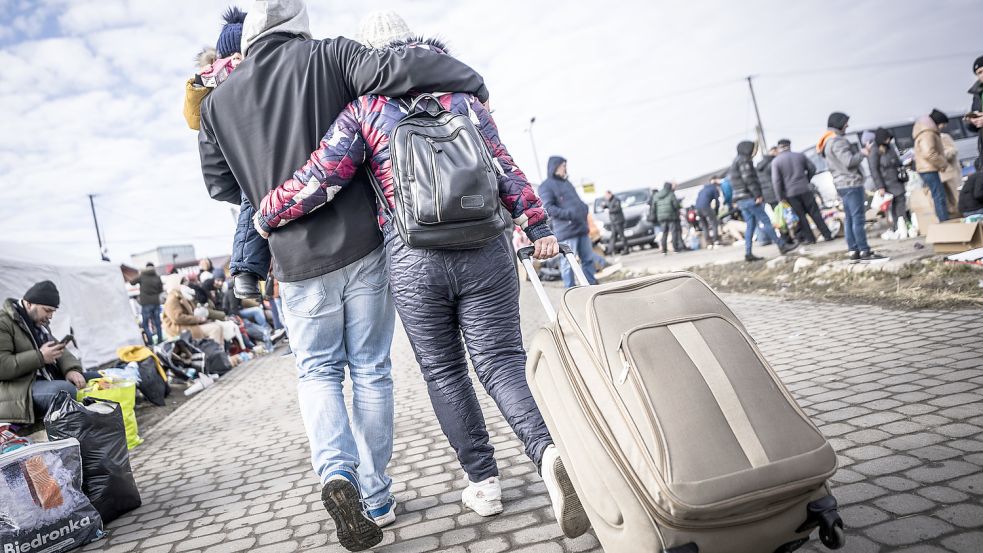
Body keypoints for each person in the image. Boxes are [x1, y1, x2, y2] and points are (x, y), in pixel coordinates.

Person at [253, 19, 590, 545]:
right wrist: (538, 223)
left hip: (414, 260)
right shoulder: (465, 101)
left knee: (444, 373)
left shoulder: (365, 110)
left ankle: (484, 483)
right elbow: (505, 167)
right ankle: (549, 454)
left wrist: (267, 214)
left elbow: (320, 178)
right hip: (486, 248)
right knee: (501, 362)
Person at [198, 1, 496, 548]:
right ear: (298, 23)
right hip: (362, 246)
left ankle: (336, 476)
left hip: (293, 259)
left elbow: (221, 186)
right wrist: (470, 79)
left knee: (316, 373)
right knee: (372, 370)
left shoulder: (218, 103)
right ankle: (377, 495)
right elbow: (399, 69)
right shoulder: (330, 54)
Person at [0, 282, 94, 424]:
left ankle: (96, 426)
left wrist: (71, 370)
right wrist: (41, 357)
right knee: (64, 390)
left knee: (94, 378)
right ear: (29, 304)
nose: (50, 316)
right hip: (17, 389)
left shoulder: (39, 324)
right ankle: (71, 435)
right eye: (47, 310)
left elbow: (57, 349)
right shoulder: (3, 323)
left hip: (43, 379)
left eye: (53, 312)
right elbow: (2, 366)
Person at [818, 113, 883, 261]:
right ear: (839, 123)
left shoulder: (827, 142)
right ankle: (864, 251)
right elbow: (848, 161)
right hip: (851, 184)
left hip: (842, 185)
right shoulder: (838, 141)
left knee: (849, 219)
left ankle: (853, 251)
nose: (847, 125)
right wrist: (863, 153)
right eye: (846, 123)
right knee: (857, 219)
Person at [729, 141, 795, 261]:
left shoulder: (736, 161)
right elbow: (748, 179)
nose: (754, 151)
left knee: (750, 226)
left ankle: (748, 253)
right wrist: (757, 195)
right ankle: (782, 245)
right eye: (753, 149)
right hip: (749, 197)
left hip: (741, 200)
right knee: (766, 221)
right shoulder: (744, 160)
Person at [538, 157, 599, 287]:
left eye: (565, 166)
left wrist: (584, 207)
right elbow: (548, 208)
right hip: (566, 232)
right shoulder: (546, 186)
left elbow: (577, 200)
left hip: (581, 228)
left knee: (588, 260)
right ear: (554, 167)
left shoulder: (567, 183)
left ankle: (591, 286)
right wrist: (569, 214)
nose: (565, 168)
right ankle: (570, 290)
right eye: (562, 166)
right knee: (568, 263)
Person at [772, 138, 833, 244]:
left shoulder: (776, 161)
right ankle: (827, 235)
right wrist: (807, 179)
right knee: (815, 213)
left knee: (801, 217)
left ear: (779, 148)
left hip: (790, 193)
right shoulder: (799, 156)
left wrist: (780, 197)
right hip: (805, 188)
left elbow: (776, 181)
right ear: (789, 146)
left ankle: (810, 239)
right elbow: (812, 168)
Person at [867, 129, 912, 235]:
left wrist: (904, 162)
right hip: (886, 182)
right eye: (886, 139)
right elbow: (874, 170)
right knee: (892, 206)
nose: (888, 141)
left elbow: (896, 160)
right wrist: (880, 186)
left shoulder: (890, 147)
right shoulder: (874, 151)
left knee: (901, 202)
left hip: (896, 179)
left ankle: (904, 224)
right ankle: (898, 227)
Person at [913, 111, 950, 223]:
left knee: (938, 195)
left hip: (926, 169)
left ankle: (944, 220)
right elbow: (929, 153)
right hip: (928, 169)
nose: (943, 127)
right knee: (939, 196)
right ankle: (944, 222)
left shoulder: (925, 131)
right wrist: (942, 163)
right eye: (944, 124)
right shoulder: (928, 133)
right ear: (939, 122)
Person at [931, 109, 963, 217]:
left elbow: (953, 150)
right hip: (942, 173)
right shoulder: (933, 137)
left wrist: (940, 156)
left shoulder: (944, 137)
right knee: (948, 200)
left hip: (951, 172)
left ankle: (961, 216)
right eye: (942, 124)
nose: (943, 126)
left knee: (956, 197)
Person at [129, 262, 164, 345]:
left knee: (145, 324)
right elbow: (160, 290)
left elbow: (132, 282)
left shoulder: (142, 276)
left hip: (146, 304)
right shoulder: (157, 277)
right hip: (156, 303)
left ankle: (150, 342)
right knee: (157, 323)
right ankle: (160, 341)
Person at [963, 55, 983, 170]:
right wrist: (971, 121)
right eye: (979, 72)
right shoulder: (978, 94)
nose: (981, 75)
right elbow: (974, 124)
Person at [651, 182, 683, 254]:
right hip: (671, 216)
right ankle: (675, 248)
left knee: (664, 233)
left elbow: (653, 207)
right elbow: (676, 205)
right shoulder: (671, 194)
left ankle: (664, 250)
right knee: (673, 232)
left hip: (661, 217)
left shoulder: (656, 195)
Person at [694, 178, 721, 246]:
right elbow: (717, 202)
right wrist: (716, 212)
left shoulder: (701, 190)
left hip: (697, 208)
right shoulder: (714, 189)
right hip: (705, 207)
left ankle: (708, 242)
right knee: (714, 223)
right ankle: (716, 241)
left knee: (704, 225)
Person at [601, 190, 629, 255]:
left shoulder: (616, 200)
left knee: (622, 236)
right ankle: (610, 251)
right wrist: (603, 206)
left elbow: (617, 208)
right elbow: (607, 206)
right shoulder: (608, 201)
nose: (606, 197)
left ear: (610, 194)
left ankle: (626, 249)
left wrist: (609, 210)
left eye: (607, 195)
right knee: (613, 236)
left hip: (618, 221)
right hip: (613, 222)